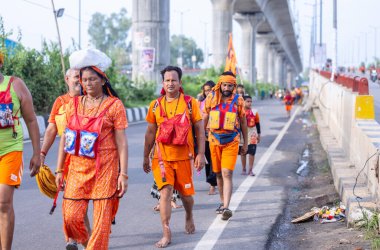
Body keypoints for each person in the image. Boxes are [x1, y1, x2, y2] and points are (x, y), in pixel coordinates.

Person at [55, 48, 128, 250]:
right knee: (71, 217)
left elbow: (122, 142)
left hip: (105, 169)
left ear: (103, 80)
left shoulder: (115, 105)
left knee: (101, 224)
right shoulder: (73, 105)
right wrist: (59, 169)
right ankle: (89, 245)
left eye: (92, 79)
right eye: (83, 80)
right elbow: (64, 139)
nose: (87, 84)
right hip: (77, 169)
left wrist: (123, 174)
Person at [143, 65, 205, 248]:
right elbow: (150, 133)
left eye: (174, 80)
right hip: (161, 159)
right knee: (165, 192)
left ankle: (189, 215)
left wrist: (200, 154)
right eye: (167, 80)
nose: (170, 83)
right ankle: (166, 232)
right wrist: (145, 156)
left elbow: (200, 130)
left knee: (186, 196)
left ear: (180, 82)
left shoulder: (190, 103)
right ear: (163, 83)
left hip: (184, 158)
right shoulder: (155, 105)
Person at [40, 68, 92, 239]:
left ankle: (89, 235)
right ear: (67, 79)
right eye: (76, 77)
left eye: (81, 77)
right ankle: (74, 238)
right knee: (72, 199)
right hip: (68, 159)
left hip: (90, 159)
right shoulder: (60, 102)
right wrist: (42, 153)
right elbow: (52, 129)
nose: (79, 80)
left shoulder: (93, 100)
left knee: (84, 200)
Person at [0, 51, 41, 249]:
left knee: (3, 201)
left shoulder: (15, 85)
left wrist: (36, 152)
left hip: (10, 149)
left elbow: (31, 120)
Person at [203, 71, 248, 220]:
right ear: (220, 84)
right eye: (225, 84)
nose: (227, 87)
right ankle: (222, 203)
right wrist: (199, 139)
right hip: (214, 141)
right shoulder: (211, 98)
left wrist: (245, 142)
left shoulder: (238, 100)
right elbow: (204, 117)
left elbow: (243, 123)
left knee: (227, 173)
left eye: (230, 85)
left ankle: (227, 207)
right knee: (217, 174)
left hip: (232, 141)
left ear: (233, 86)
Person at [198, 81, 217, 195]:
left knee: (214, 159)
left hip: (215, 134)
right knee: (208, 160)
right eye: (206, 90)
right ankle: (211, 182)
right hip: (203, 134)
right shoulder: (200, 102)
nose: (208, 92)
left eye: (210, 89)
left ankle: (213, 184)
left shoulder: (218, 101)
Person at [239, 95, 261, 176]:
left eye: (250, 101)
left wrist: (259, 134)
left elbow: (257, 123)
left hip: (252, 133)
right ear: (243, 102)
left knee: (252, 152)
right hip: (241, 133)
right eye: (247, 101)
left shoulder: (254, 112)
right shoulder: (239, 111)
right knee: (243, 152)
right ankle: (244, 168)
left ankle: (250, 170)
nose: (250, 103)